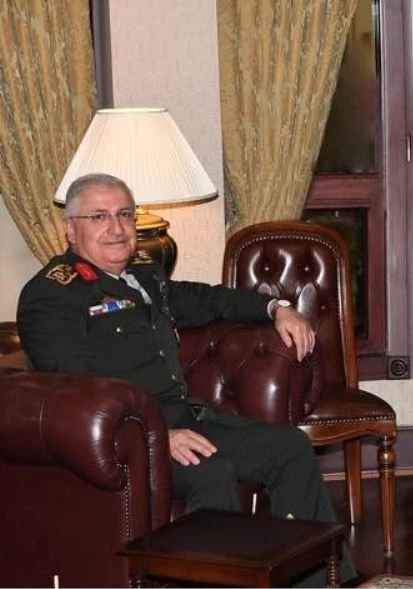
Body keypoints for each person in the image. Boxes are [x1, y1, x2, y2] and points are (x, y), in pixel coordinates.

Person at [17, 172, 355, 586]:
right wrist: (157, 436)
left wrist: (277, 309)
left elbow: (209, 299)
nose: (117, 228)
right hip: (127, 441)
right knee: (214, 473)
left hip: (187, 419)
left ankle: (317, 582)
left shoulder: (144, 275)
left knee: (290, 447)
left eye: (125, 214)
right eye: (99, 217)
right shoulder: (52, 295)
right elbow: (75, 389)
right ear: (71, 230)